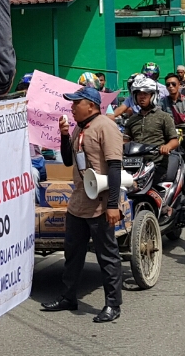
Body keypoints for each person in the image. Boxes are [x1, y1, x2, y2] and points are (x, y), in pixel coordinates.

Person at [40, 85, 123, 323]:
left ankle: (112, 304)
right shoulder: (80, 127)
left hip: (100, 201)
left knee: (107, 255)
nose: (72, 107)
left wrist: (113, 205)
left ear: (92, 105)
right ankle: (68, 297)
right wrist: (65, 135)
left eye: (77, 103)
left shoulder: (106, 126)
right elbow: (68, 161)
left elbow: (115, 167)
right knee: (72, 253)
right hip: (78, 201)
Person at [122, 77, 179, 184]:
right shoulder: (132, 120)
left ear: (153, 95)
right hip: (135, 164)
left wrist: (166, 147)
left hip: (156, 164)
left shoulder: (164, 117)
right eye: (139, 94)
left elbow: (174, 141)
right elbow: (125, 141)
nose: (142, 97)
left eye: (145, 94)